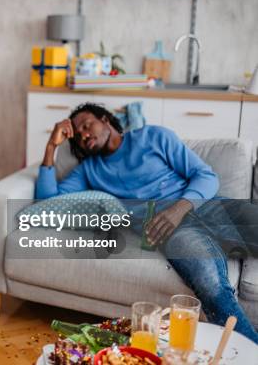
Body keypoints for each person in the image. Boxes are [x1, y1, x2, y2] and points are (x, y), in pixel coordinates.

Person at [35, 102, 258, 343]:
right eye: (78, 136)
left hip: (206, 205)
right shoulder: (89, 170)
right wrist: (51, 146)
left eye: (87, 126)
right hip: (174, 232)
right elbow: (47, 199)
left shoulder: (154, 136)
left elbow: (205, 176)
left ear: (105, 120)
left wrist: (179, 208)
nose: (84, 135)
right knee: (209, 284)